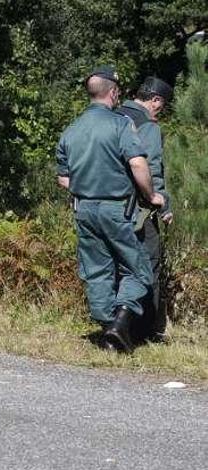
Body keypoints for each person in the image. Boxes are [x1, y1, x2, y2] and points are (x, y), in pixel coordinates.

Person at [56, 66, 164, 353]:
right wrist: (152, 195)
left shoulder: (71, 130)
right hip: (115, 209)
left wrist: (87, 189)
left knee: (97, 271)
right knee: (137, 269)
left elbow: (63, 178)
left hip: (83, 209)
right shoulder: (119, 125)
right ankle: (120, 324)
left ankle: (108, 334)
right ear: (114, 92)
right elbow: (139, 164)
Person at [115, 77, 174, 343]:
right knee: (149, 265)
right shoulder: (147, 125)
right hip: (138, 208)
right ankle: (144, 331)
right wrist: (162, 204)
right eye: (161, 106)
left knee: (115, 266)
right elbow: (151, 169)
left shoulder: (113, 115)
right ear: (156, 100)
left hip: (107, 207)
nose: (159, 110)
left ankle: (113, 324)